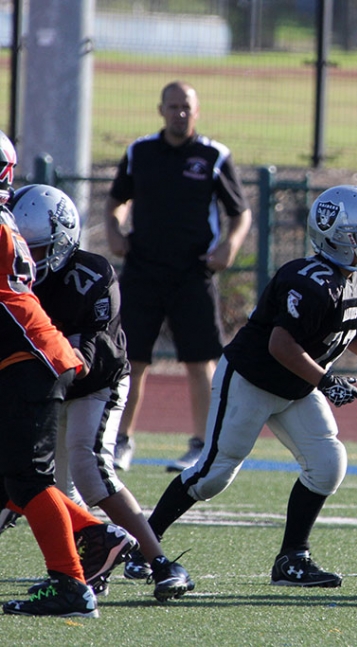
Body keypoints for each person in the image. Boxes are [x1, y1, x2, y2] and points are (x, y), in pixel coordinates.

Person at [123, 185, 357, 586]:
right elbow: (281, 345)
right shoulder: (306, 281)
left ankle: (292, 559)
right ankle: (142, 548)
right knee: (212, 475)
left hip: (296, 386)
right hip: (252, 380)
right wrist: (327, 381)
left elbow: (350, 327)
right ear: (334, 234)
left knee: (327, 465)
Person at [10, 184, 194, 602]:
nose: (30, 262)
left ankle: (160, 561)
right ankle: (89, 563)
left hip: (95, 383)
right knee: (49, 484)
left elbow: (85, 357)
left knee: (89, 468)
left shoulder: (91, 274)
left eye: (39, 250)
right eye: (25, 249)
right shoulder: (13, 277)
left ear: (62, 239)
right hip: (47, 385)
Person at [0, 133, 134, 618]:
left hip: (27, 356)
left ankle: (72, 584)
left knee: (28, 480)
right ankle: (97, 536)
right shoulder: (7, 222)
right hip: (27, 352)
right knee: (16, 480)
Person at [104, 80, 252, 473]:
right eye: (172, 106)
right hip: (143, 270)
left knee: (200, 361)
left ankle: (202, 446)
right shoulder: (140, 152)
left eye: (186, 107)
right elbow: (116, 200)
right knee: (130, 359)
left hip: (192, 272)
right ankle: (119, 442)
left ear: (197, 111)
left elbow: (241, 213)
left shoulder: (214, 156)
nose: (179, 113)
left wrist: (229, 248)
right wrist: (115, 232)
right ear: (161, 110)